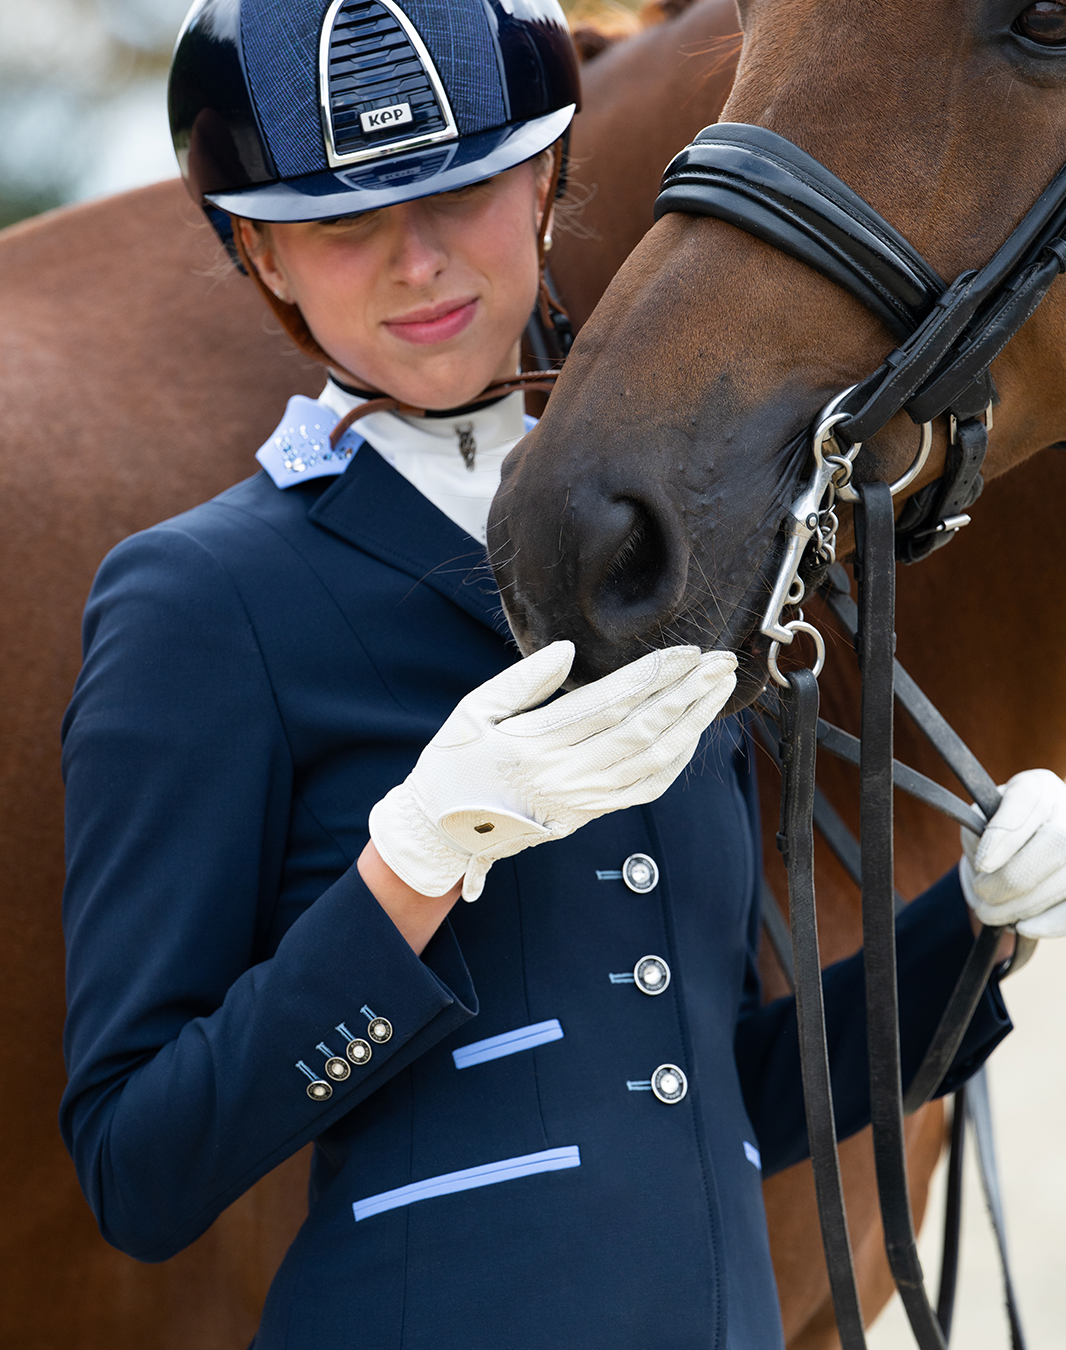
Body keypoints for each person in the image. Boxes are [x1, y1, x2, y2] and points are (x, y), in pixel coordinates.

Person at [59, 0, 1066, 1346]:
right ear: (263, 260)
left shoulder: (663, 549)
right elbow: (143, 1168)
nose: (418, 264)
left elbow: (727, 1095)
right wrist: (407, 866)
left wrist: (973, 926)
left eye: (466, 189)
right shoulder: (198, 597)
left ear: (547, 184)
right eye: (341, 223)